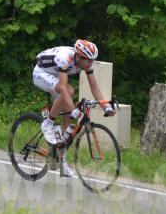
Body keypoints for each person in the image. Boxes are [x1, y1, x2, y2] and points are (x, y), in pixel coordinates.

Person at [32, 39, 115, 176]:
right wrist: (73, 110)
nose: (91, 64)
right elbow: (64, 88)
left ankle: (60, 158)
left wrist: (105, 106)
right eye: (89, 60)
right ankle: (48, 123)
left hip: (55, 76)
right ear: (79, 57)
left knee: (68, 120)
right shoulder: (65, 58)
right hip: (41, 73)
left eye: (92, 60)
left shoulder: (86, 63)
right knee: (69, 92)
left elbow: (94, 87)